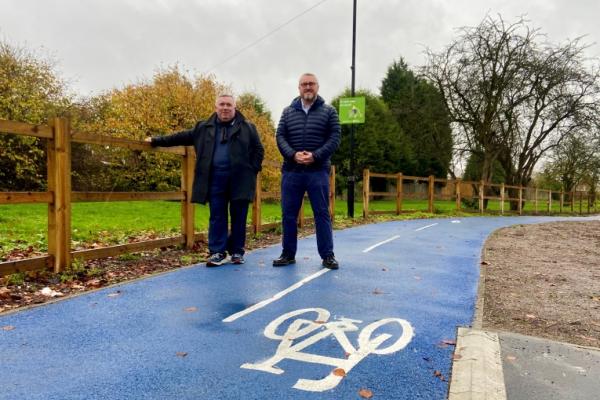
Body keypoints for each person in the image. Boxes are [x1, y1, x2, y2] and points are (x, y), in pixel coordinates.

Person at [147, 94, 264, 267]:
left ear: (235, 107)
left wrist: (252, 169)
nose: (225, 108)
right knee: (217, 215)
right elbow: (180, 137)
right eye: (221, 104)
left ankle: (237, 251)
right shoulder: (203, 127)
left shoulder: (248, 127)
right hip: (215, 178)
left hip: (241, 179)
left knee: (239, 216)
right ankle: (218, 252)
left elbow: (258, 150)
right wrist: (156, 140)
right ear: (216, 107)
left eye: (228, 105)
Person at [273, 73, 341, 269]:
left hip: (317, 171)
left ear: (317, 87)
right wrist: (293, 155)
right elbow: (280, 137)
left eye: (311, 84)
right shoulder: (287, 112)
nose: (308, 87)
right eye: (304, 84)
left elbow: (334, 137)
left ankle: (327, 255)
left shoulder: (329, 111)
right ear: (299, 88)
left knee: (322, 214)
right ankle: (288, 254)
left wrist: (315, 156)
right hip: (292, 171)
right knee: (288, 215)